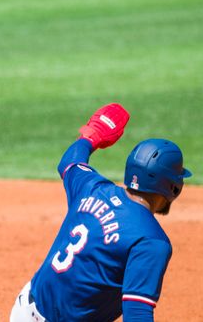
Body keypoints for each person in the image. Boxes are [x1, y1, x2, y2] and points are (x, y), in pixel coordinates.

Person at [10, 104, 192, 322]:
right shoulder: (151, 241)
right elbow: (137, 313)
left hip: (23, 311)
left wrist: (90, 136)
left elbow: (69, 162)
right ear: (173, 187)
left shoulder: (92, 188)